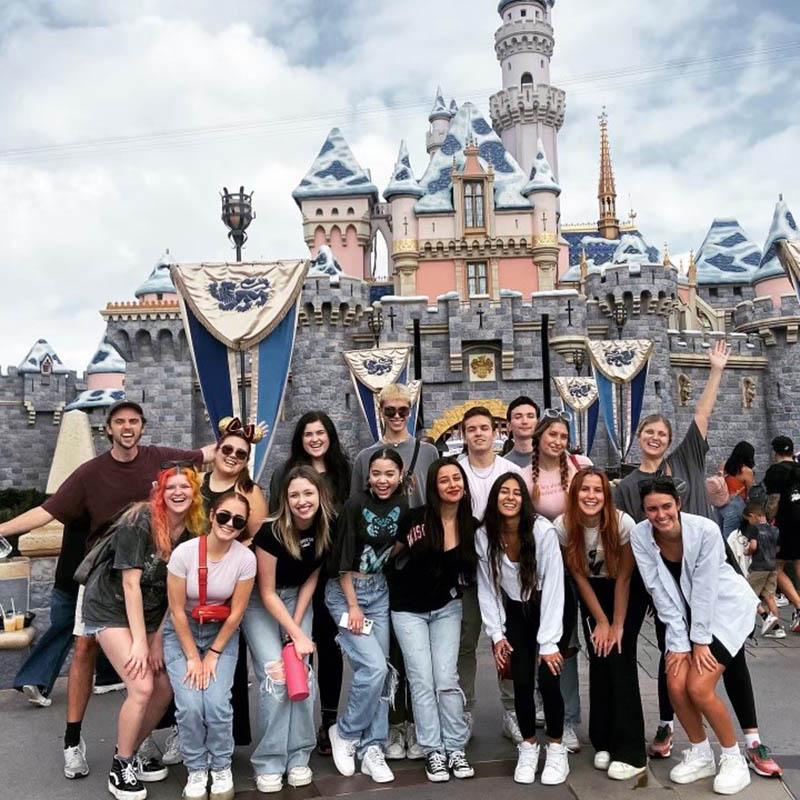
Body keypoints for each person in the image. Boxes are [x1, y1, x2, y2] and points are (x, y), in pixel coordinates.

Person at [4, 400, 211, 779]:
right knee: (84, 648)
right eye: (120, 422)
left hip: (150, 584)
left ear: (142, 427)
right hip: (104, 576)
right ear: (109, 429)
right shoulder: (91, 473)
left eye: (134, 421)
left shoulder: (160, 459)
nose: (128, 427)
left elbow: (208, 455)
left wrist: (241, 437)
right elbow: (48, 511)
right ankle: (72, 740)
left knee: (152, 672)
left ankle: (138, 740)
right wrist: (2, 530)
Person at [614, 340, 731, 758]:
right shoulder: (627, 487)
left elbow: (702, 413)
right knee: (671, 648)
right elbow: (623, 535)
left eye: (662, 433)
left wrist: (716, 369)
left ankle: (743, 734)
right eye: (649, 432)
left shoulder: (686, 460)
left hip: (704, 569)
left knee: (722, 649)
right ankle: (668, 725)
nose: (656, 438)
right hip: (661, 579)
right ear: (639, 437)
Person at [80, 464, 207, 800]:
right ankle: (120, 766)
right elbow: (130, 583)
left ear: (195, 494)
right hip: (111, 607)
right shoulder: (140, 521)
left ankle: (130, 750)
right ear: (160, 493)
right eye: (170, 487)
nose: (178, 493)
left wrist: (157, 640)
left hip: (153, 613)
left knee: (164, 684)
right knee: (141, 684)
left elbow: (175, 594)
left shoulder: (194, 533)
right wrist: (139, 642)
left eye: (185, 487)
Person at [631, 478, 757, 795]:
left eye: (666, 507)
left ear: (679, 505)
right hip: (684, 620)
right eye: (652, 509)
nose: (660, 515)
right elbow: (658, 590)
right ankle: (701, 753)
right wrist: (678, 643)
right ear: (644, 511)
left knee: (698, 687)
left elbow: (704, 589)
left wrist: (699, 642)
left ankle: (733, 758)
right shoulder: (640, 536)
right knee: (675, 683)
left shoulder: (704, 530)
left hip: (724, 612)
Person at [350, 384, 438, 758]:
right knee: (389, 653)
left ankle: (419, 724)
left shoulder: (429, 452)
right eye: (391, 411)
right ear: (380, 410)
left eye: (404, 410)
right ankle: (393, 723)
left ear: (411, 411)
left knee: (418, 651)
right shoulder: (365, 457)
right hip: (383, 564)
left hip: (419, 557)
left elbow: (436, 500)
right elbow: (357, 508)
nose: (398, 416)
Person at [242, 466, 334, 793]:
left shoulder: (327, 527)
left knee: (302, 673)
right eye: (294, 495)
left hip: (297, 600)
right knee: (276, 675)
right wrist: (295, 633)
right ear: (285, 499)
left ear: (319, 495)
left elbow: (311, 577)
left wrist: (297, 627)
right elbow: (266, 592)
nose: (301, 500)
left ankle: (298, 755)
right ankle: (269, 761)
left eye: (308, 493)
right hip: (261, 602)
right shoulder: (271, 532)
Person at [476, 472, 570, 786]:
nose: (511, 497)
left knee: (549, 680)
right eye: (504, 491)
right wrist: (497, 633)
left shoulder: (541, 531)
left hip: (550, 607)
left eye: (517, 492)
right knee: (520, 682)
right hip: (517, 610)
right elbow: (488, 588)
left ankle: (556, 749)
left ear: (524, 499)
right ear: (495, 497)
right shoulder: (484, 535)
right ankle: (528, 746)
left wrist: (549, 643)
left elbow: (556, 587)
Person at [555, 468, 647, 780]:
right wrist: (601, 621)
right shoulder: (564, 526)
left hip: (625, 593)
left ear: (606, 496)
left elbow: (624, 577)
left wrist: (617, 624)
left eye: (598, 490)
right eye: (585, 490)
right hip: (593, 595)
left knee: (619, 659)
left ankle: (631, 751)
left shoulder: (622, 523)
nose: (591, 496)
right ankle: (603, 741)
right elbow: (579, 576)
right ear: (575, 494)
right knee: (598, 658)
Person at [388, 459, 476, 782]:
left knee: (446, 678)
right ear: (433, 486)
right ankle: (433, 750)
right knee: (421, 678)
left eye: (457, 478)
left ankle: (454, 747)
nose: (452, 485)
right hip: (408, 609)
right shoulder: (416, 520)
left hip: (446, 608)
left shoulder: (470, 525)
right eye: (444, 480)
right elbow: (390, 555)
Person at [164, 491, 256, 800]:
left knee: (216, 703)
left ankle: (220, 765)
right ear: (212, 514)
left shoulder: (245, 560)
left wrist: (214, 653)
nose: (229, 524)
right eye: (224, 516)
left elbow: (238, 612)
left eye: (238, 521)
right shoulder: (185, 553)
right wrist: (192, 656)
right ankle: (196, 767)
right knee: (190, 705)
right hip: (183, 630)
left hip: (221, 632)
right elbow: (176, 610)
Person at [269, 411, 350, 755]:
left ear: (330, 435)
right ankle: (296, 726)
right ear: (299, 439)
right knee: (299, 646)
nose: (315, 439)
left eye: (320, 432)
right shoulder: (285, 474)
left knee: (330, 648)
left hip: (333, 572)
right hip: (298, 574)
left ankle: (328, 721)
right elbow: (277, 522)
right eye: (308, 434)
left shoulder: (344, 472)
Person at [326, 448, 408, 784]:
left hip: (379, 592)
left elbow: (401, 540)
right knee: (372, 668)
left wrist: (386, 560)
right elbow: (343, 558)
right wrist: (353, 606)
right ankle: (345, 732)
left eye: (390, 474)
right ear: (368, 475)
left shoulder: (402, 505)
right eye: (377, 473)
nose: (383, 480)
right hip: (348, 594)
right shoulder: (354, 505)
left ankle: (372, 747)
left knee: (380, 672)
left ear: (400, 475)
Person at [457, 406, 524, 742]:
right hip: (466, 571)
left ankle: (512, 711)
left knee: (507, 642)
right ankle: (464, 711)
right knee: (465, 644)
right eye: (472, 429)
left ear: (496, 431)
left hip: (505, 569)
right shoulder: (455, 471)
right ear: (463, 434)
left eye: (484, 427)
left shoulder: (510, 472)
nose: (479, 434)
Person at [200, 418, 268, 752]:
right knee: (185, 656)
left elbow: (254, 535)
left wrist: (226, 564)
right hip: (189, 580)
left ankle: (228, 734)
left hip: (228, 582)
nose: (232, 456)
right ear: (216, 450)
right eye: (227, 449)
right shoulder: (194, 482)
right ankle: (183, 732)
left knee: (227, 657)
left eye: (240, 454)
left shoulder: (250, 492)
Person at [529, 411, 592, 754]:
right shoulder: (526, 476)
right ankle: (563, 718)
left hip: (585, 563)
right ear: (539, 438)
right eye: (551, 434)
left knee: (591, 642)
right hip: (548, 573)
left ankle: (591, 714)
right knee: (560, 643)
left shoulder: (581, 464)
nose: (557, 441)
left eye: (563, 436)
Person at [763, 435, 800, 634]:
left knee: (775, 567)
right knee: (798, 563)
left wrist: (769, 522)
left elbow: (774, 501)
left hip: (785, 524)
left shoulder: (775, 471)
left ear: (775, 452)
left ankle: (799, 605)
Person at [741, 502, 786, 639]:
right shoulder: (774, 529)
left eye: (748, 519)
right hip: (772, 566)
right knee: (770, 597)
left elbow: (753, 546)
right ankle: (777, 628)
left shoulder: (753, 529)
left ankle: (765, 617)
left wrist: (747, 552)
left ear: (753, 516)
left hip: (759, 567)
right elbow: (777, 548)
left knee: (747, 595)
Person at [501, 395, 540, 469]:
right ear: (509, 425)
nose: (525, 421)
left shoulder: (551, 458)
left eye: (530, 416)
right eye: (518, 417)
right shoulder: (503, 465)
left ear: (537, 423)